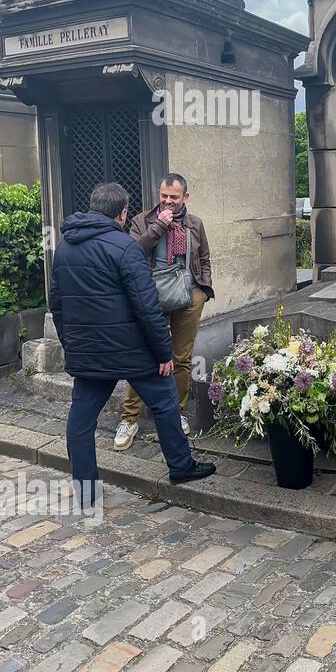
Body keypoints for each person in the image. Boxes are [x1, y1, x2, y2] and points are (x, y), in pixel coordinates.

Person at [49, 181, 216, 501]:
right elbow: (146, 305)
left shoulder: (65, 247)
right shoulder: (124, 246)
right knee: (166, 403)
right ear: (123, 214)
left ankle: (85, 490)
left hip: (90, 352)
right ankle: (180, 466)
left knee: (81, 421)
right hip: (133, 349)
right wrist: (163, 352)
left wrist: (71, 344)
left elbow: (56, 304)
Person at [113, 173, 213, 450]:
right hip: (151, 297)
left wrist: (203, 289)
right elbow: (132, 252)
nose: (168, 201)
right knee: (144, 355)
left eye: (174, 197)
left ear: (185, 198)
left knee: (181, 358)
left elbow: (204, 257)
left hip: (189, 296)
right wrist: (158, 226)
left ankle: (176, 412)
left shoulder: (195, 224)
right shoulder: (142, 221)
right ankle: (129, 418)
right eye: (164, 195)